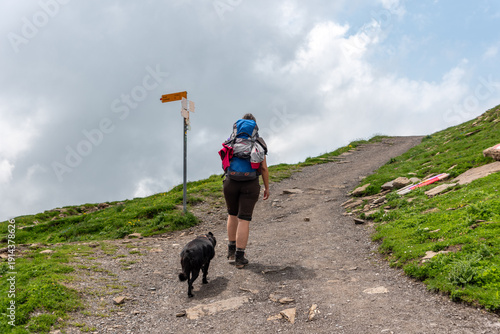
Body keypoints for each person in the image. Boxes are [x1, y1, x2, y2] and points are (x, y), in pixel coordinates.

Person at [223, 113, 269, 268]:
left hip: (231, 182)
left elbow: (224, 160)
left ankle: (230, 251)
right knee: (244, 219)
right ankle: (239, 258)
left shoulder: (232, 139)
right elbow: (263, 168)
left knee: (232, 214)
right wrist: (267, 187)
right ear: (255, 127)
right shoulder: (259, 142)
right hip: (250, 184)